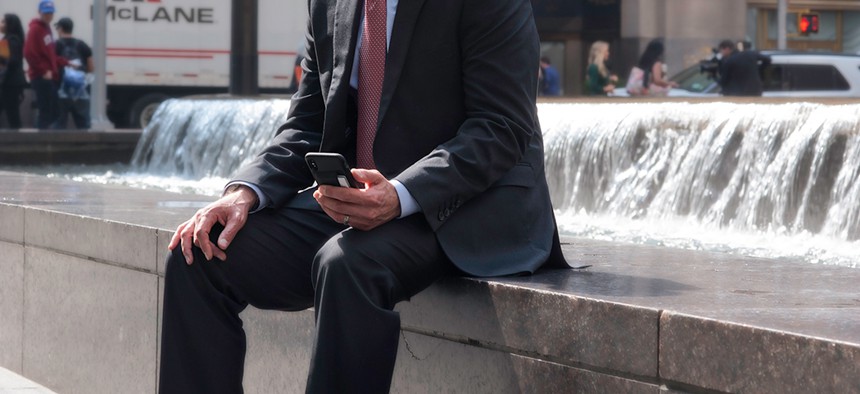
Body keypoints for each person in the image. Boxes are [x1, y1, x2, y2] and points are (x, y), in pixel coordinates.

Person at [158, 0, 569, 392]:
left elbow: (501, 126)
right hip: (361, 198)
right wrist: (244, 192)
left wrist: (401, 194)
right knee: (199, 250)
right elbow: (307, 122)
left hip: (467, 203)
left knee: (347, 263)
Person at [24, 0, 66, 129]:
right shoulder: (36, 29)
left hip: (48, 75)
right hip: (42, 76)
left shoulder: (46, 29)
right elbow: (29, 52)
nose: (48, 15)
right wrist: (43, 71)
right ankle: (42, 137)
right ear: (40, 12)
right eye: (46, 13)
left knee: (52, 109)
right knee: (47, 110)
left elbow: (50, 53)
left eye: (51, 13)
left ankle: (44, 134)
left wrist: (66, 62)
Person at [53, 17, 93, 129]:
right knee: (83, 124)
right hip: (80, 91)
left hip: (60, 90)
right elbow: (91, 68)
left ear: (60, 29)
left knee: (59, 123)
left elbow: (52, 66)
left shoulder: (55, 45)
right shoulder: (83, 45)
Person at [0, 13, 26, 129]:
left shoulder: (11, 40)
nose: (1, 24)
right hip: (8, 82)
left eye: (3, 22)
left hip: (10, 83)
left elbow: (9, 61)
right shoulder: (8, 39)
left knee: (13, 115)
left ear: (9, 25)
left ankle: (18, 141)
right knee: (12, 113)